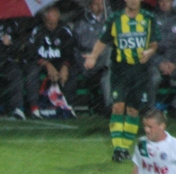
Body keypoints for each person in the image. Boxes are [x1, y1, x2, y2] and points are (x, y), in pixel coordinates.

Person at [84, 0, 160, 163]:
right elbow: (103, 40)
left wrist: (149, 51)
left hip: (140, 71)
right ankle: (118, 148)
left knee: (133, 110)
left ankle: (125, 147)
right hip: (120, 70)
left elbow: (154, 43)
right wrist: (94, 56)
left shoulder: (149, 18)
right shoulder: (115, 18)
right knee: (118, 107)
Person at [25, 5, 77, 119]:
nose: (53, 26)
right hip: (41, 63)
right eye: (49, 23)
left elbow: (71, 53)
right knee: (32, 73)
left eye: (55, 23)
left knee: (72, 72)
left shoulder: (65, 31)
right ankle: (34, 108)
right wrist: (46, 64)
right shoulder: (37, 31)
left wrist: (65, 66)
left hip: (59, 63)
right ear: (44, 20)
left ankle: (67, 105)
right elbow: (30, 53)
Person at [73, 0, 111, 114]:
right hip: (87, 61)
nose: (100, 7)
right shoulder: (82, 23)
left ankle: (112, 106)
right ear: (90, 6)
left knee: (109, 71)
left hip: (106, 62)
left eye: (101, 4)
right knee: (109, 52)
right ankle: (110, 105)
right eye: (96, 4)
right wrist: (102, 41)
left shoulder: (109, 19)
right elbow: (85, 44)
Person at [148, 0, 176, 108]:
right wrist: (159, 63)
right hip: (155, 61)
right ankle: (150, 108)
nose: (164, 3)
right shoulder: (151, 18)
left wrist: (174, 64)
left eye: (167, 1)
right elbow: (147, 46)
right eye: (161, 1)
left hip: (173, 59)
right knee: (154, 78)